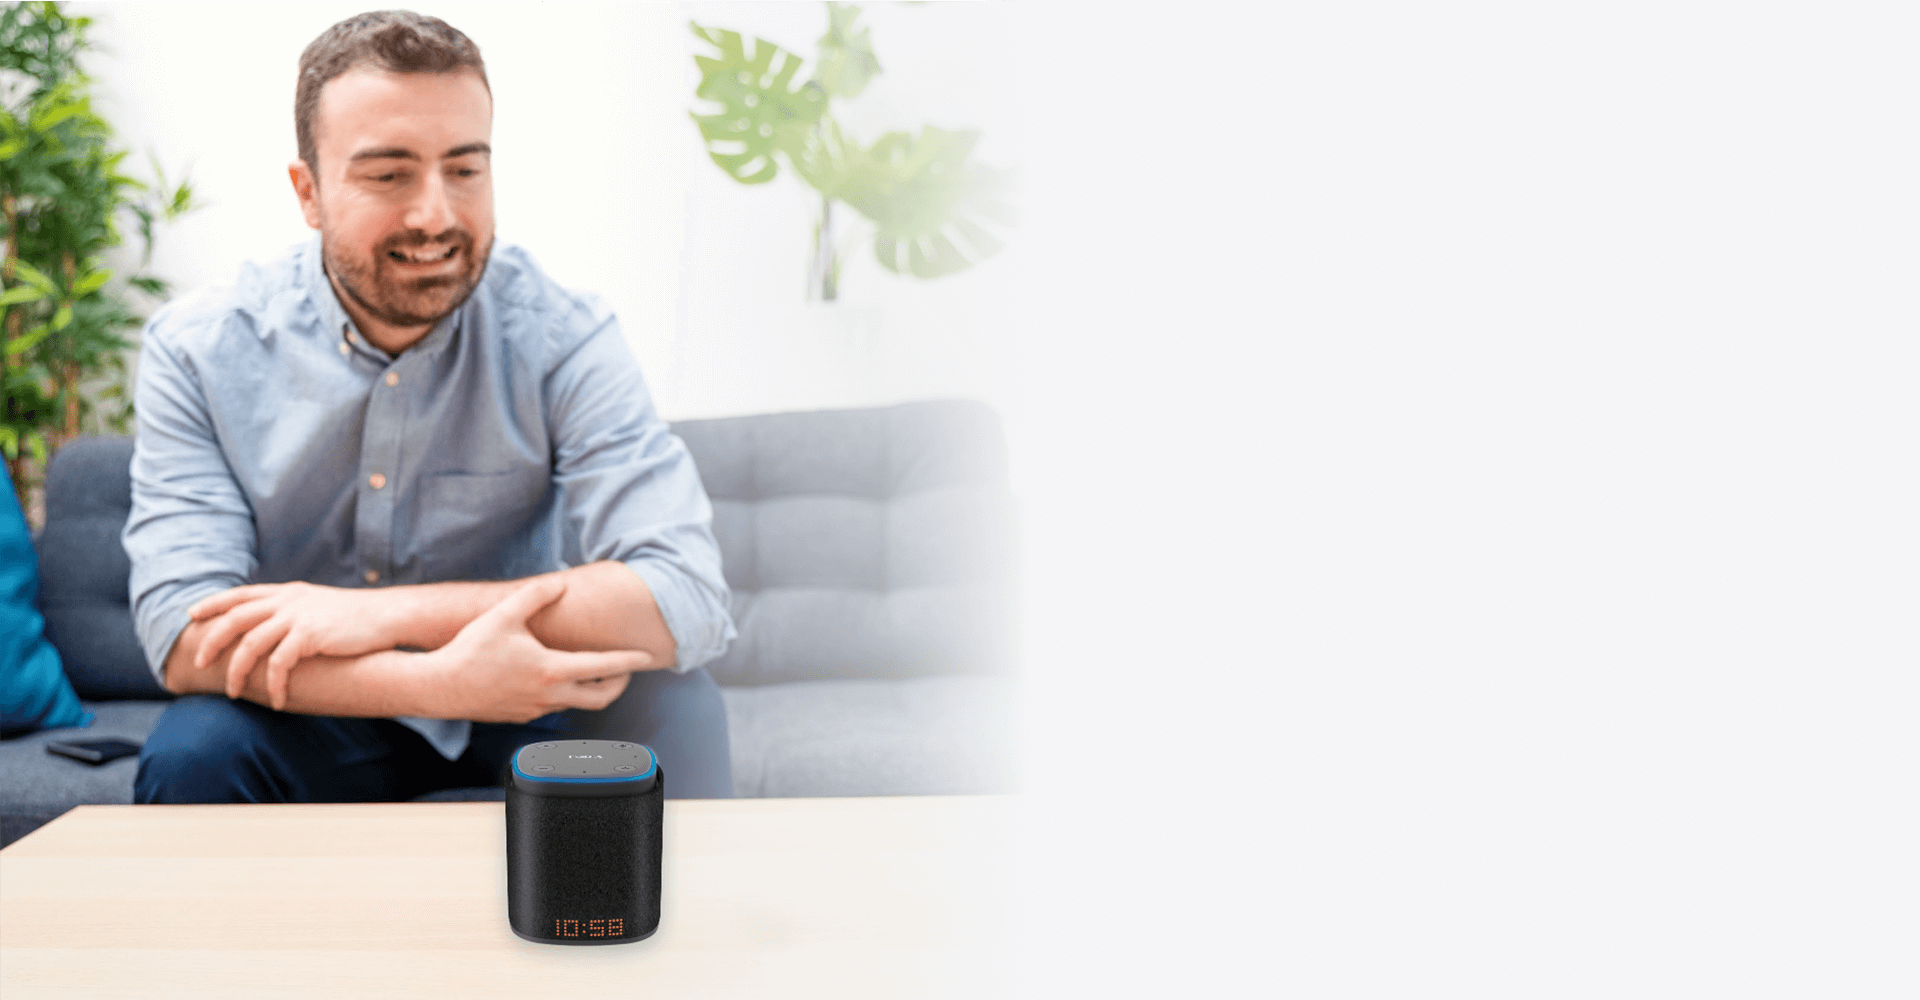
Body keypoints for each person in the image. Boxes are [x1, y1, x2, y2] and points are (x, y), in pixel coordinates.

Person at [123, 11, 736, 803]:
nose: (435, 215)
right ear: (308, 193)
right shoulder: (200, 348)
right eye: (389, 174)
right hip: (327, 701)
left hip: (529, 690)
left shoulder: (565, 336)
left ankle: (658, 931)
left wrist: (384, 617)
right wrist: (434, 683)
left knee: (676, 705)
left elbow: (685, 599)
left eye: (465, 169)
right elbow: (183, 634)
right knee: (195, 753)